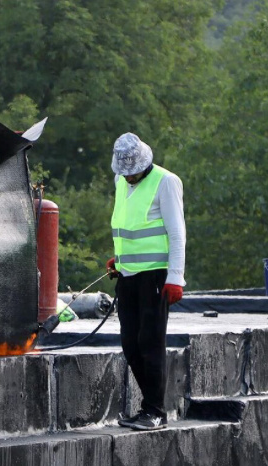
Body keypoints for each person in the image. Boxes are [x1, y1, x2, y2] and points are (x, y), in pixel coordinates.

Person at [106, 132, 186, 430]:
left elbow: (177, 233)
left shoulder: (166, 182)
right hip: (128, 274)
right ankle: (148, 406)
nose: (128, 178)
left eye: (132, 172)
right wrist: (119, 258)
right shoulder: (121, 181)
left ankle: (154, 411)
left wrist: (175, 277)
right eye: (123, 173)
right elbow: (128, 224)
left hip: (156, 276)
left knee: (150, 343)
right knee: (130, 343)